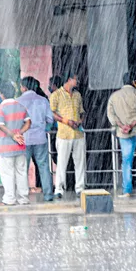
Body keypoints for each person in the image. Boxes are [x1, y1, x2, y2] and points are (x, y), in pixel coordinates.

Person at [49, 71, 86, 199]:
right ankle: (59, 188)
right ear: (69, 79)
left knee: (80, 162)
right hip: (64, 133)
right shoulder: (56, 95)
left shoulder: (77, 95)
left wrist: (80, 121)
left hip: (78, 133)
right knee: (62, 162)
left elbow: (82, 112)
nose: (77, 81)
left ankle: (80, 188)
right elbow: (52, 113)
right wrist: (66, 121)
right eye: (76, 79)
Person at [18, 76, 54, 201]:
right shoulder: (43, 100)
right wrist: (44, 129)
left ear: (24, 87)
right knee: (44, 167)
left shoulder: (18, 101)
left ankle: (22, 195)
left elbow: (17, 122)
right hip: (40, 139)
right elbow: (50, 119)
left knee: (23, 168)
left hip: (24, 139)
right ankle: (49, 195)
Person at [0, 81, 31, 206]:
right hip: (20, 147)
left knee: (7, 173)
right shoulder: (21, 106)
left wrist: (13, 135)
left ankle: (10, 199)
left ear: (2, 94)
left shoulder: (0, 108)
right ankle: (23, 198)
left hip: (5, 147)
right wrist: (19, 133)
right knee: (21, 172)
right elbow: (28, 122)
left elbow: (0, 125)